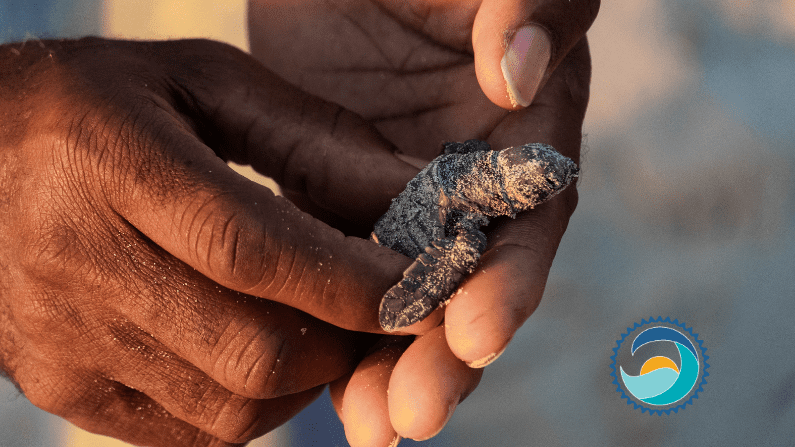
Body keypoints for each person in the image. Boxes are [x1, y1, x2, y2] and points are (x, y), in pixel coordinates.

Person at [0, 0, 598, 446]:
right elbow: (458, 231)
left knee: (308, 371)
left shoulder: (474, 181)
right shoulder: (469, 215)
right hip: (383, 244)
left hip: (375, 227)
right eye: (537, 181)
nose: (547, 183)